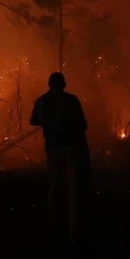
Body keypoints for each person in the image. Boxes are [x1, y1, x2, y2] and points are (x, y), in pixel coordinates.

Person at [30, 72, 91, 248]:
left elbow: (33, 121)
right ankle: (75, 235)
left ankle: (55, 231)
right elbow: (83, 125)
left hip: (54, 149)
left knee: (56, 188)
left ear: (49, 84)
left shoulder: (42, 101)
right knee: (74, 190)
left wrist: (47, 120)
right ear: (63, 84)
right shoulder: (72, 100)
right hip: (73, 149)